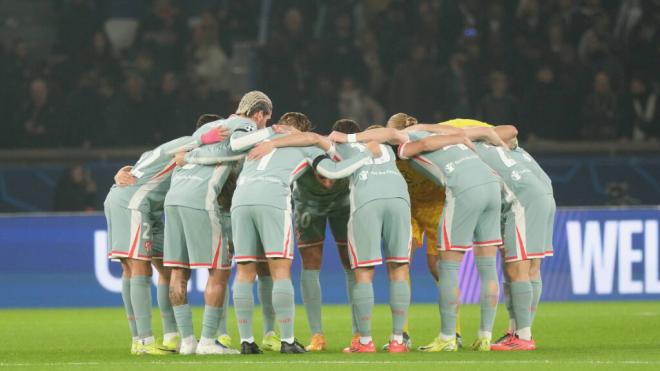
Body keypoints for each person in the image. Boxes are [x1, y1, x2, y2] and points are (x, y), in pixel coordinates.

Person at [330, 123, 505, 352]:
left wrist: (348, 137)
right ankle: (484, 336)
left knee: (446, 267)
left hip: (461, 191)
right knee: (487, 263)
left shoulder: (406, 146)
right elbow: (488, 132)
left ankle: (447, 337)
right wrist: (472, 142)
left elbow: (409, 140)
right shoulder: (441, 130)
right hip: (492, 186)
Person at [230, 112, 379, 354]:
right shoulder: (307, 144)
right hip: (274, 200)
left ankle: (247, 341)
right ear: (303, 130)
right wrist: (365, 153)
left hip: (241, 199)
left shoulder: (259, 143)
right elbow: (333, 171)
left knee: (245, 271)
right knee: (280, 269)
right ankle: (288, 340)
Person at [264, 124, 413, 353]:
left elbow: (313, 138)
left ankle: (364, 342)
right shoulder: (385, 148)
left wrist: (273, 139)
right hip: (399, 198)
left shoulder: (338, 146)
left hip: (366, 199)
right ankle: (397, 341)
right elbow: (393, 133)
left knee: (363, 271)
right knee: (400, 268)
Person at [104, 116, 228, 355]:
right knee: (138, 268)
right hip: (133, 204)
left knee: (165, 268)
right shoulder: (188, 144)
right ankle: (145, 341)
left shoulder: (188, 157)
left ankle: (165, 336)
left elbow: (142, 166)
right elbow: (183, 146)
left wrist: (119, 173)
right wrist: (202, 139)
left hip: (141, 207)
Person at [163, 91, 273, 355]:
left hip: (174, 196)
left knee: (179, 270)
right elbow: (237, 145)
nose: (264, 126)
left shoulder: (208, 127)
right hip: (200, 198)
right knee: (220, 270)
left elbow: (172, 149)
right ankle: (208, 341)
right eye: (266, 120)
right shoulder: (246, 126)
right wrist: (273, 134)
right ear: (258, 114)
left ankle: (187, 341)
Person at [491, 137, 556, 351]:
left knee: (516, 267)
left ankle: (523, 335)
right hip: (545, 198)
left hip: (524, 203)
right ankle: (518, 330)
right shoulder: (517, 153)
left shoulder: (485, 149)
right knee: (531, 268)